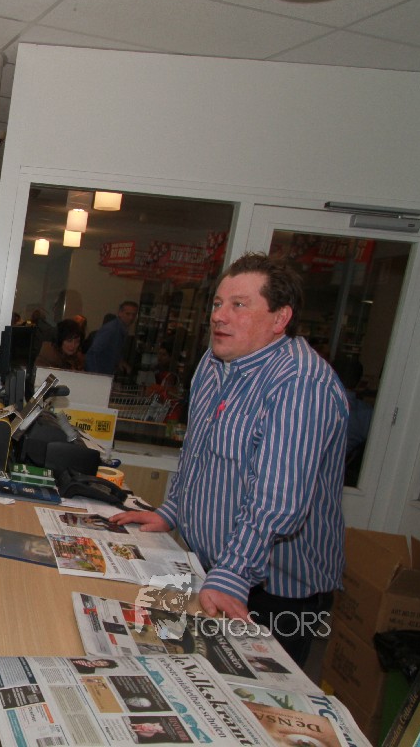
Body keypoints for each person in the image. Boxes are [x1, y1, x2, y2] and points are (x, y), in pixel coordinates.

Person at [112, 254, 347, 666]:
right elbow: (197, 454)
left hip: (275, 591)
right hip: (213, 566)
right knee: (171, 659)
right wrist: (172, 510)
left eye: (239, 305)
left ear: (280, 318)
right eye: (218, 304)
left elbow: (277, 502)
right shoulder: (213, 363)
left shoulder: (300, 383)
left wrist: (234, 571)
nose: (219, 316)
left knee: (249, 690)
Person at [84, 300, 138, 375]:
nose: (131, 318)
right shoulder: (111, 329)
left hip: (105, 373)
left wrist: (120, 361)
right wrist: (95, 375)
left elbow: (113, 351)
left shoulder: (120, 329)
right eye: (128, 314)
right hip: (100, 373)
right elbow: (92, 353)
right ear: (120, 313)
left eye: (133, 315)